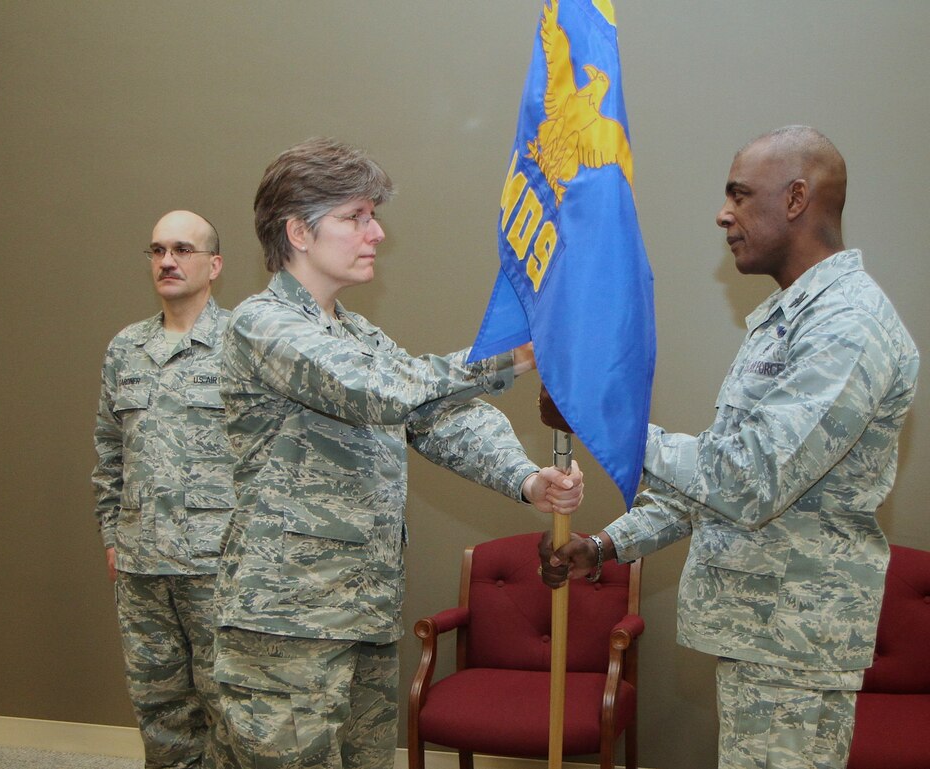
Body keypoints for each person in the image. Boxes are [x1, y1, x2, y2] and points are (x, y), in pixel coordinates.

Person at [539, 125, 919, 769]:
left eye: (740, 196)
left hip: (795, 646)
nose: (724, 214)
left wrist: (605, 420)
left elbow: (749, 479)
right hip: (766, 638)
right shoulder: (787, 323)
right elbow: (713, 484)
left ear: (797, 198)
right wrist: (605, 546)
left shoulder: (847, 326)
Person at [210, 137, 584, 769]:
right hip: (287, 625)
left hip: (362, 613)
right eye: (355, 217)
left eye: (372, 215)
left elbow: (435, 416)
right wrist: (515, 355)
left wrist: (526, 480)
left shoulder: (355, 332)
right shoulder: (262, 324)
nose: (376, 232)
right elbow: (380, 391)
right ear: (298, 231)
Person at [92, 210, 234, 769]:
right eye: (156, 251)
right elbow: (109, 452)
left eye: (181, 249)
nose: (167, 261)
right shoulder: (125, 348)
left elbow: (270, 456)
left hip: (218, 563)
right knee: (159, 709)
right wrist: (111, 535)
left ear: (214, 265)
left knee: (231, 707)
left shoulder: (243, 343)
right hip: (141, 564)